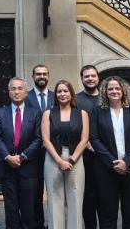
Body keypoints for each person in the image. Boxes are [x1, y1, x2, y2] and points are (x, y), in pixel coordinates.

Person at [89, 76, 130, 229]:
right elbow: (94, 138)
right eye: (110, 89)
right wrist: (113, 163)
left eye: (117, 88)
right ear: (105, 92)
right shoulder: (98, 111)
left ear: (123, 91)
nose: (114, 91)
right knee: (107, 215)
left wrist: (127, 161)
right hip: (106, 170)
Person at [0, 78, 43, 229]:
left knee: (29, 210)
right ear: (8, 93)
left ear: (26, 92)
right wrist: (8, 157)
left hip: (28, 168)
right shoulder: (0, 113)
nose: (16, 92)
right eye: (13, 89)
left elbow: (38, 138)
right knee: (11, 210)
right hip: (7, 168)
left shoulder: (36, 113)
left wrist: (22, 156)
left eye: (20, 88)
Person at [41, 80, 89, 229]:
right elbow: (46, 140)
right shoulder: (48, 113)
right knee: (54, 198)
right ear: (55, 94)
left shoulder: (82, 114)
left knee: (75, 197)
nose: (62, 94)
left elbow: (84, 140)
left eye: (65, 91)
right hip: (53, 158)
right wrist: (60, 161)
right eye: (59, 91)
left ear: (71, 93)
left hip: (76, 158)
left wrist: (72, 160)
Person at [24, 64, 52, 227]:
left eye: (44, 74)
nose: (42, 76)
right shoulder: (25, 97)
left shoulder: (57, 96)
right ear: (32, 76)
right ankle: (38, 224)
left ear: (48, 76)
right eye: (38, 74)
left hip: (53, 151)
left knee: (54, 190)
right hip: (32, 152)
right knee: (35, 192)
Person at [74, 64, 100, 229]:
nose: (90, 79)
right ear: (82, 79)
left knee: (105, 197)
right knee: (88, 197)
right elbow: (73, 124)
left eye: (93, 76)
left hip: (105, 155)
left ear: (98, 77)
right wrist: (87, 143)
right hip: (85, 155)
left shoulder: (107, 97)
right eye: (86, 76)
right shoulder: (76, 100)